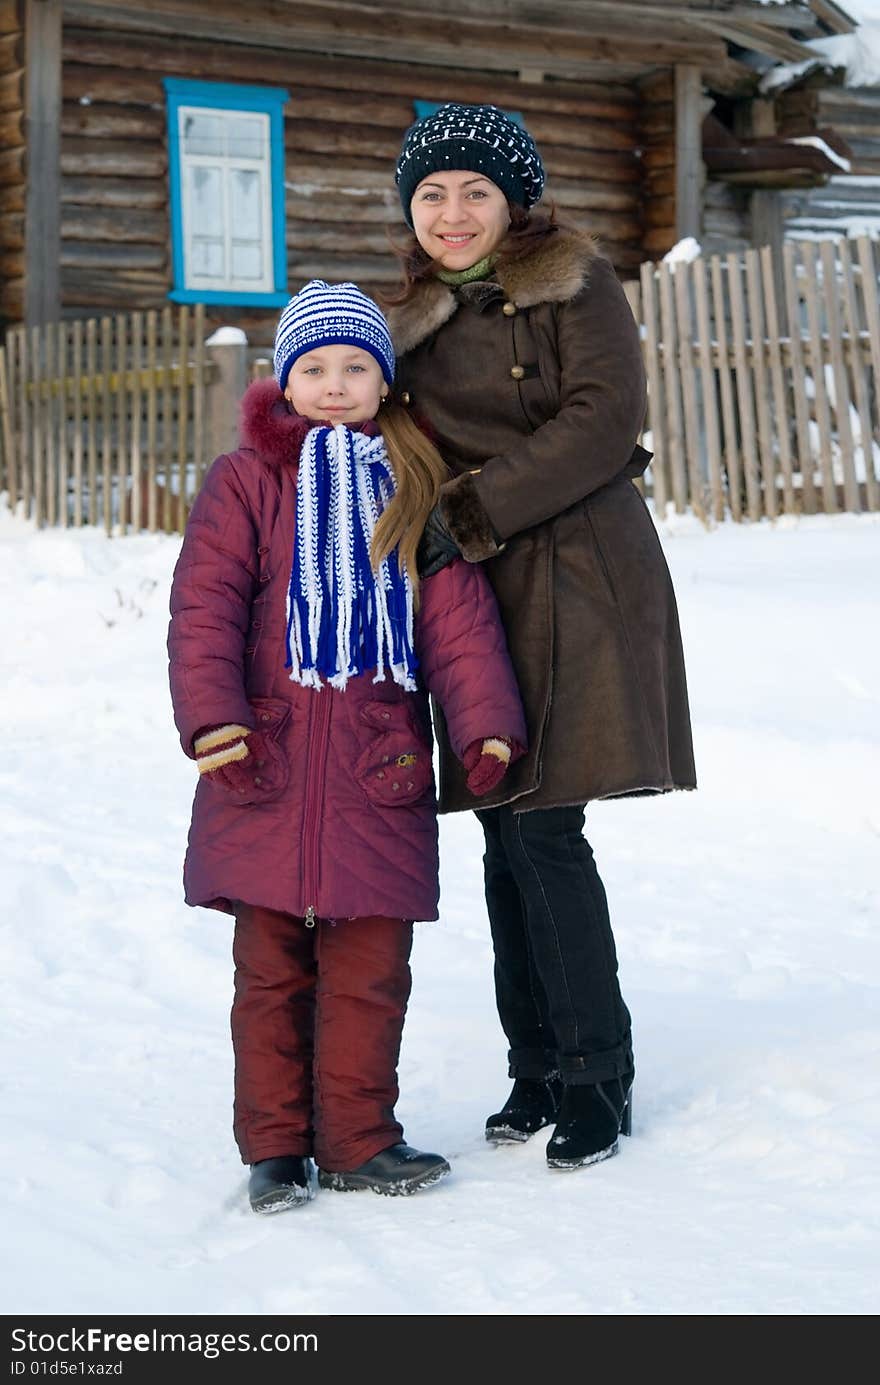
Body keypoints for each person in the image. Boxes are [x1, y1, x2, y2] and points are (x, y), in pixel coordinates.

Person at [168, 280, 526, 1212]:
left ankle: (361, 1137)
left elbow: (458, 624)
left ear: (384, 382)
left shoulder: (415, 489)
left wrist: (485, 722)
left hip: (379, 764)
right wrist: (213, 717)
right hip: (265, 760)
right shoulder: (246, 482)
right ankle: (277, 1147)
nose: (335, 385)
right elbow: (205, 606)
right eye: (315, 367)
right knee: (270, 973)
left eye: (355, 367)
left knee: (372, 972)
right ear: (285, 382)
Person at [386, 103, 696, 1171]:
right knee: (498, 827)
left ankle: (594, 1072)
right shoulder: (410, 318)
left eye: (475, 189)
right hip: (471, 593)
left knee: (544, 828)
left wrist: (466, 513)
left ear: (515, 199)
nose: (453, 211)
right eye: (431, 193)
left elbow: (602, 419)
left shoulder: (576, 281)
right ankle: (533, 1063)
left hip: (574, 568)